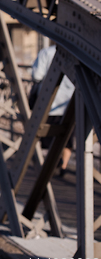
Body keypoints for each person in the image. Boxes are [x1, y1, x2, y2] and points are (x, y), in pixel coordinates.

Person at [32, 44, 75, 177]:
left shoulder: (46, 52)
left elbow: (37, 76)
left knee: (49, 137)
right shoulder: (75, 50)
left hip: (49, 102)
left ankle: (52, 162)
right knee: (67, 138)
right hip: (70, 103)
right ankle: (64, 165)